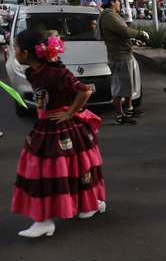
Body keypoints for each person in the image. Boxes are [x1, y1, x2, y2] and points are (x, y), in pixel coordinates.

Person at [11, 30, 106, 237]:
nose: (13, 51)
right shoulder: (32, 72)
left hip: (62, 128)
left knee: (67, 168)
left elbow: (85, 91)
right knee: (46, 169)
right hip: (44, 126)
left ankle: (89, 204)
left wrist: (69, 112)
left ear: (26, 53)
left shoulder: (57, 74)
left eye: (15, 48)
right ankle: (44, 220)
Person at [95, 0, 149, 125]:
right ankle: (119, 116)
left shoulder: (111, 14)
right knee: (118, 87)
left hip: (124, 55)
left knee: (127, 85)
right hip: (118, 57)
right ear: (112, 2)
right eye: (117, 0)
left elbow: (118, 36)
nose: (119, 3)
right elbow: (124, 31)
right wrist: (140, 33)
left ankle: (129, 109)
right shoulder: (109, 15)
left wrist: (133, 41)